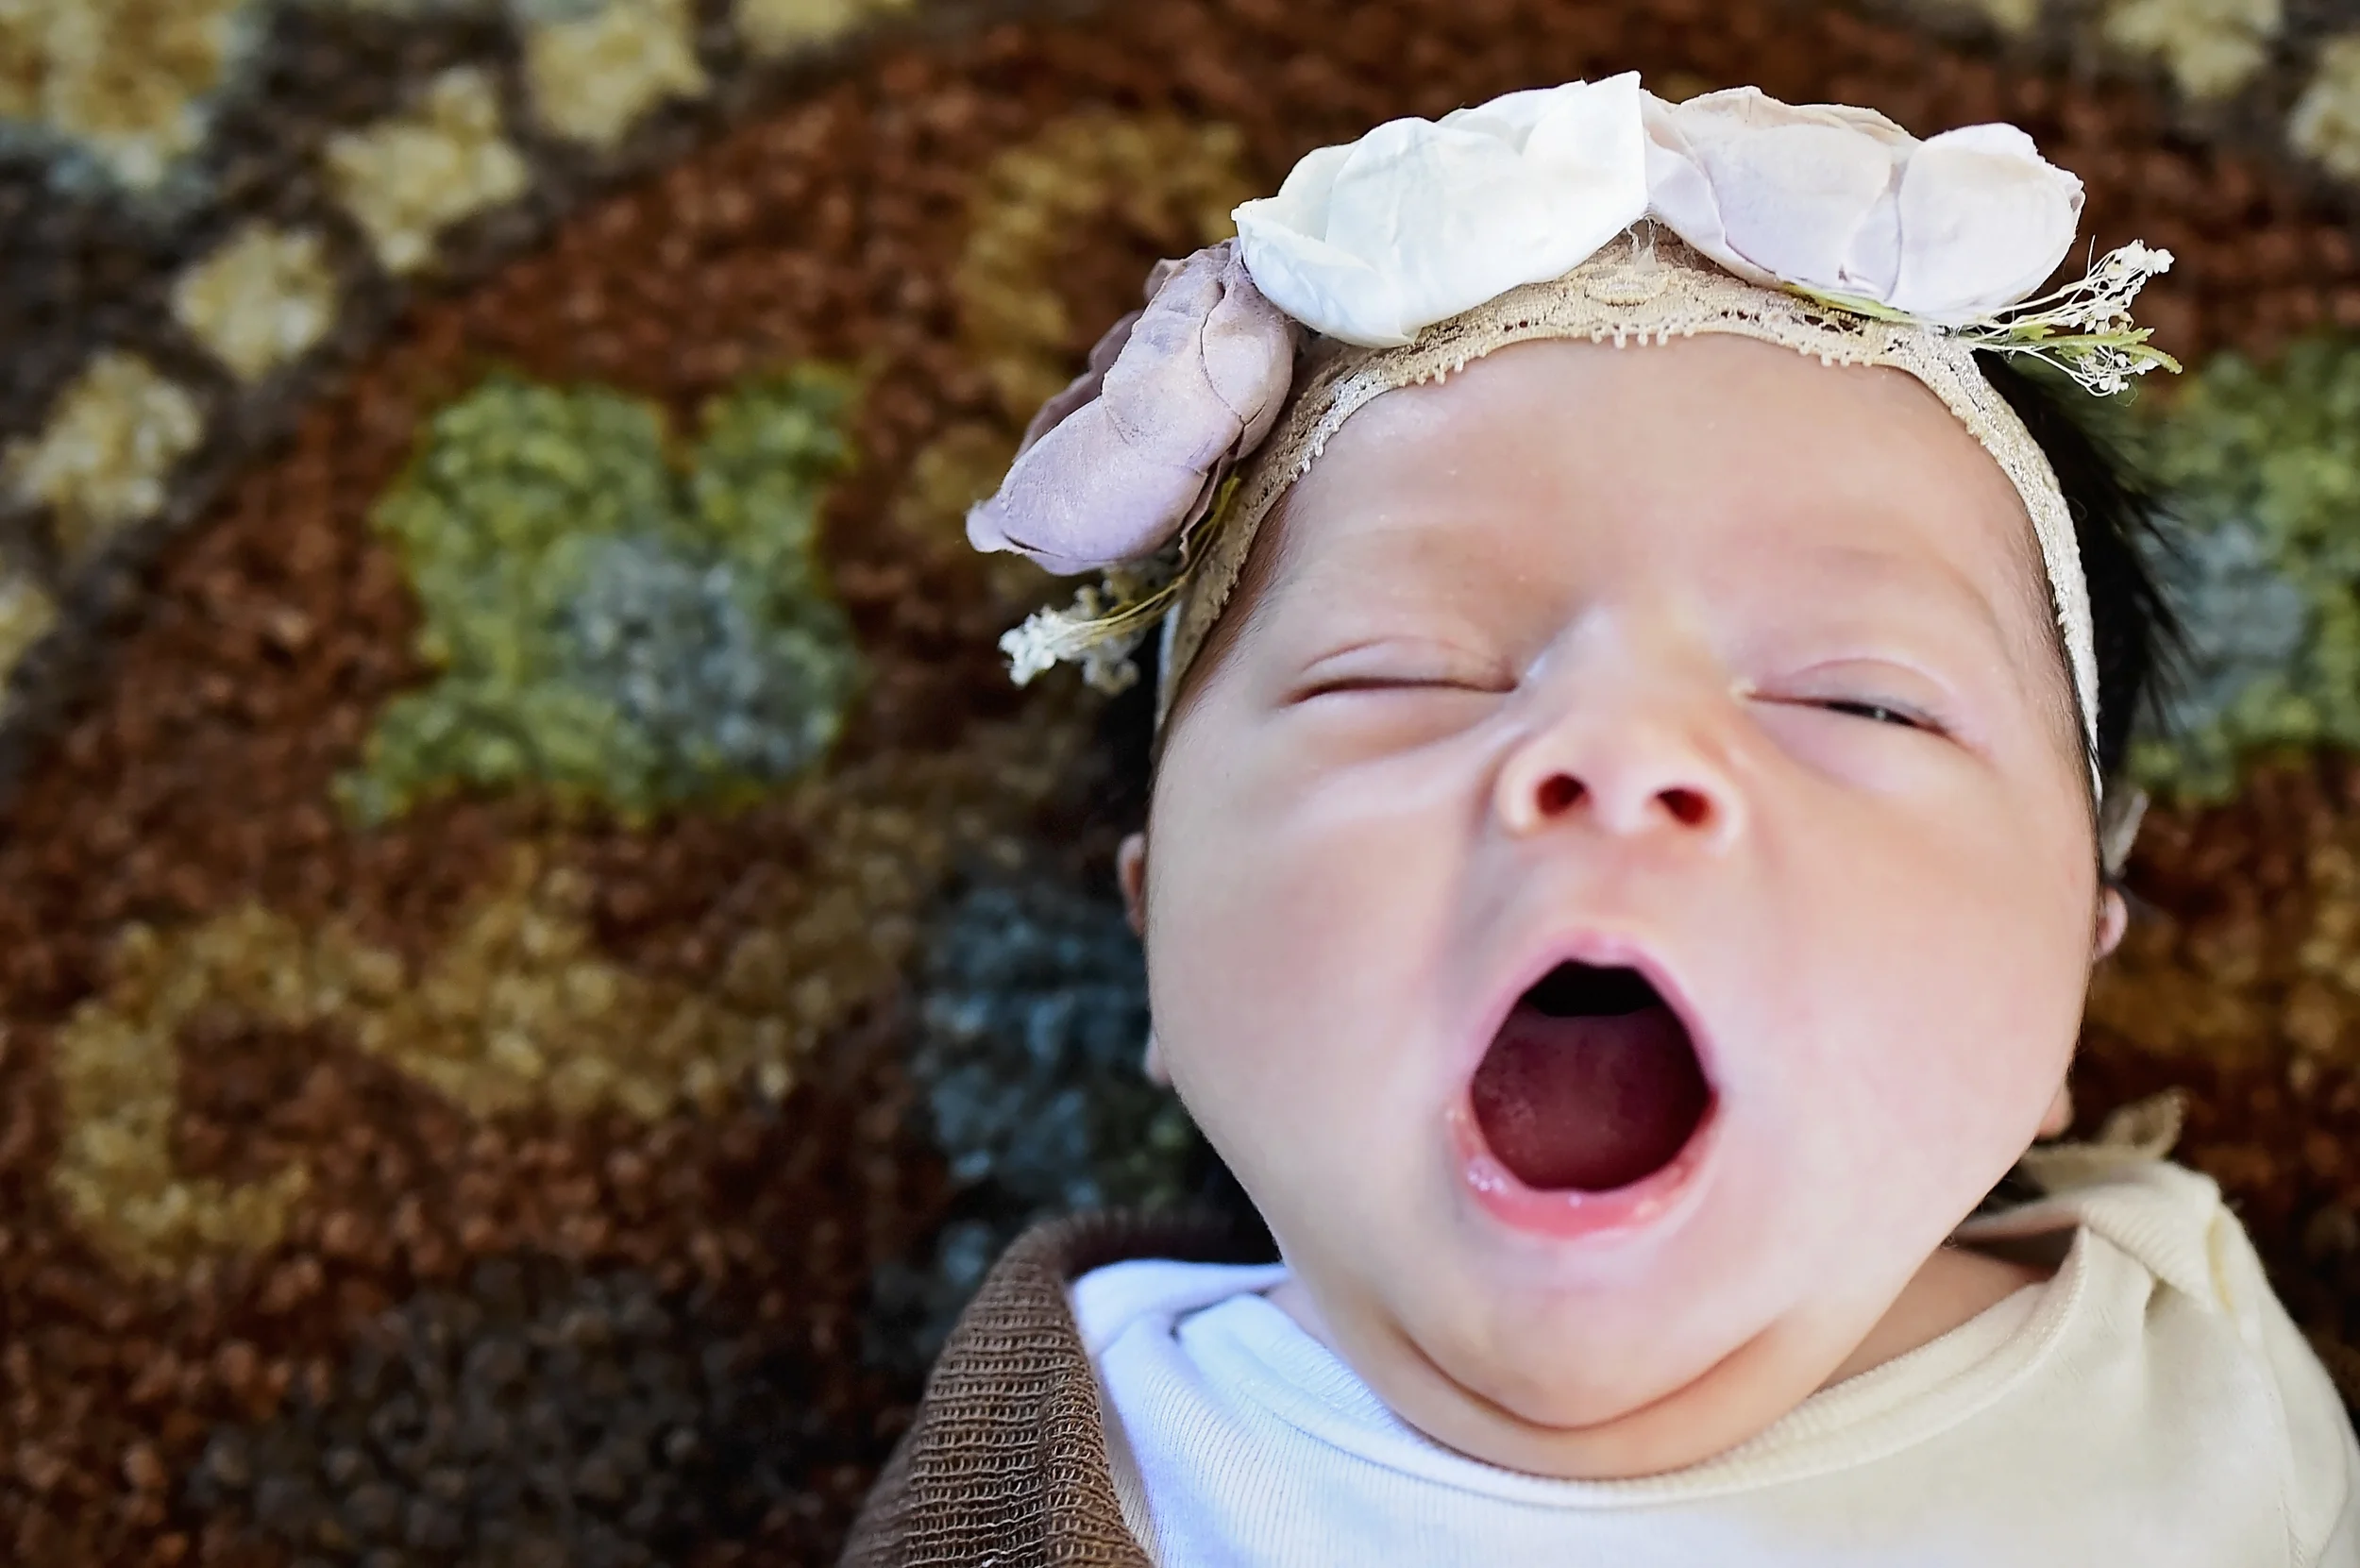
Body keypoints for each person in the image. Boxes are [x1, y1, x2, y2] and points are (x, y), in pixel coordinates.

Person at [842, 74, 2360, 1565]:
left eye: (1860, 702)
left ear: (2077, 961)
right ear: (1153, 916)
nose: (1621, 749)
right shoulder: (1067, 1441)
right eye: (1404, 673)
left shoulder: (2193, 1377)